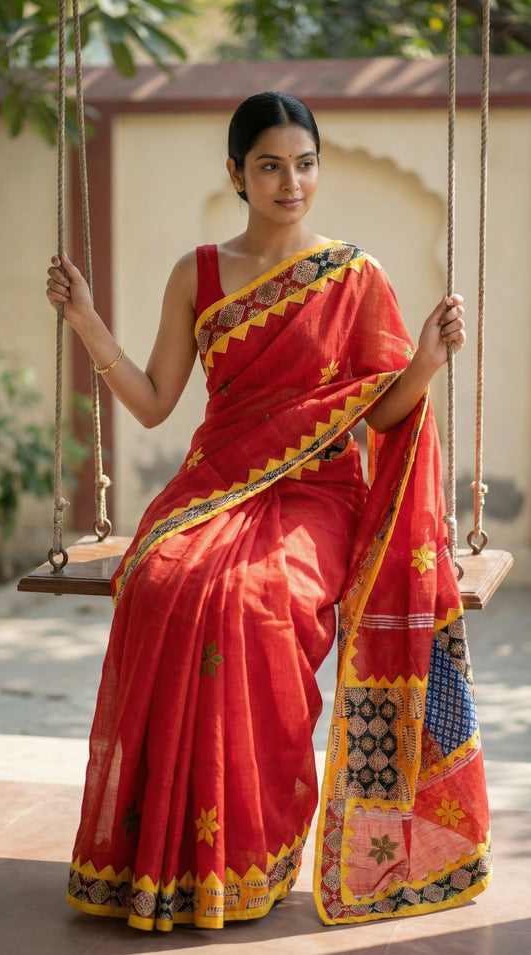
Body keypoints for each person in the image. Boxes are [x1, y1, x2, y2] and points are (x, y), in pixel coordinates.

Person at [46, 91, 490, 932]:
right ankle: (163, 856)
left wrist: (425, 363)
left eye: (304, 163)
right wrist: (86, 321)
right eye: (270, 166)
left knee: (256, 602)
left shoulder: (355, 277)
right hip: (211, 488)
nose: (291, 182)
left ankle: (248, 851)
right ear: (236, 175)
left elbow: (383, 415)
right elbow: (151, 402)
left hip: (316, 494)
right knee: (161, 584)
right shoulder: (199, 272)